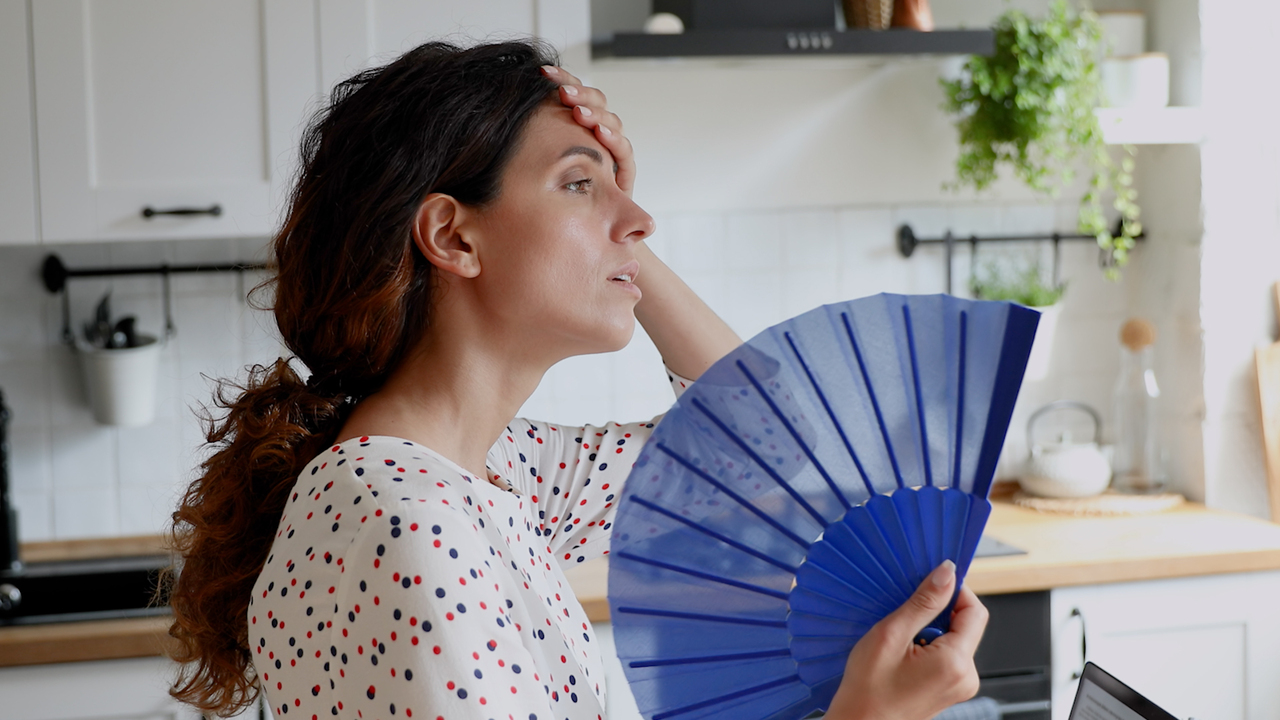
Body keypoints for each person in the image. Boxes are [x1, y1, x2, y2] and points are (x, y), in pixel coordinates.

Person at [166, 39, 987, 720]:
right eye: (577, 184)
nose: (641, 220)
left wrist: (618, 227)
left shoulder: (489, 472)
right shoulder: (413, 520)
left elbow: (772, 453)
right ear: (453, 237)